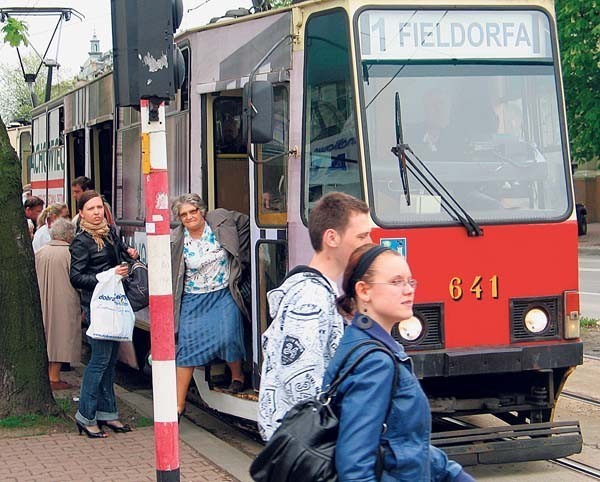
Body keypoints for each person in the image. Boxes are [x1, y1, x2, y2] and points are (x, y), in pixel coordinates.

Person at [322, 244, 475, 482]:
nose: (408, 290)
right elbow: (354, 466)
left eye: (410, 281)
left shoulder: (364, 345)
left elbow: (402, 444)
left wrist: (450, 473)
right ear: (364, 290)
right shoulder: (375, 363)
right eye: (396, 282)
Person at [258, 191, 372, 441]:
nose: (370, 243)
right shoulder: (311, 299)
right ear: (331, 237)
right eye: (362, 236)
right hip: (307, 445)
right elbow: (302, 382)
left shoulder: (319, 291)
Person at [171, 193, 250, 417]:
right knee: (187, 347)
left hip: (223, 292)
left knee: (228, 335)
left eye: (192, 212)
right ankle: (178, 404)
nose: (189, 217)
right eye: (183, 214)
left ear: (201, 211)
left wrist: (241, 256)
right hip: (193, 298)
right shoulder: (177, 240)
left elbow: (247, 221)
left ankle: (237, 376)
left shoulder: (221, 221)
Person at [70, 190, 139, 438]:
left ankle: (108, 413)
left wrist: (130, 254)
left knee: (109, 361)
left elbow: (119, 253)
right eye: (91, 209)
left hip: (113, 303)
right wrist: (106, 277)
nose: (97, 212)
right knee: (99, 360)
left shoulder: (109, 232)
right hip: (97, 306)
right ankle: (86, 416)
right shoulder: (81, 240)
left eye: (99, 207)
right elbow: (75, 277)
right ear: (81, 213)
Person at [35, 219, 81, 391]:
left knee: (47, 336)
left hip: (42, 299)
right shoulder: (70, 254)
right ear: (69, 235)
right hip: (64, 301)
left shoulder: (40, 252)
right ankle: (54, 377)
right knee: (61, 338)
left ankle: (49, 375)